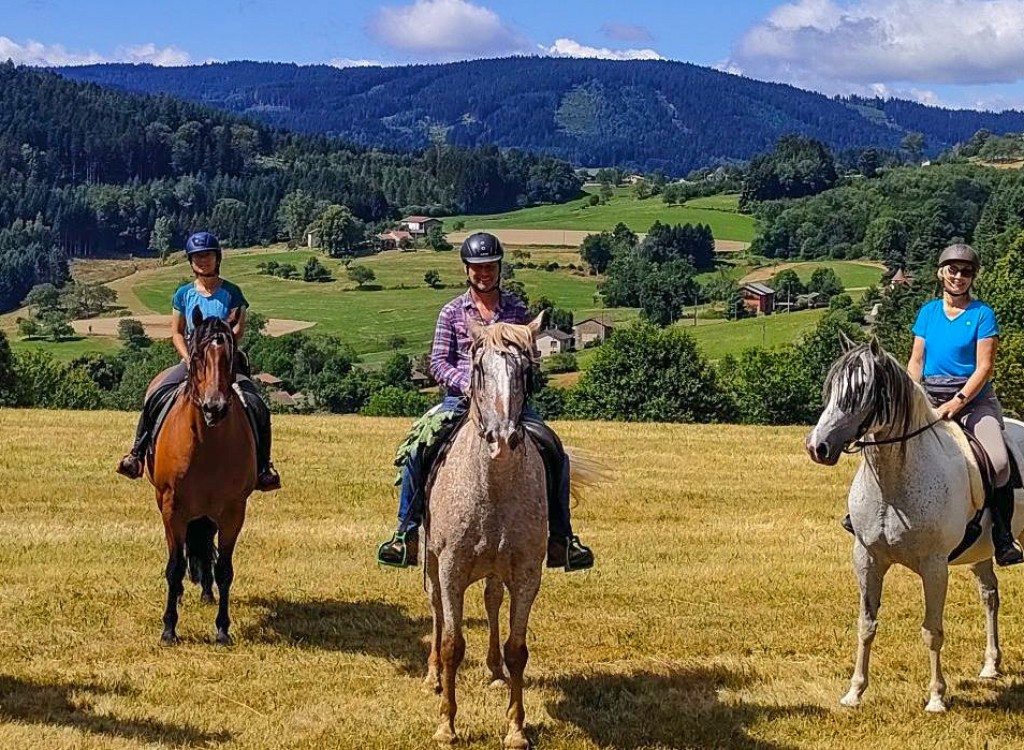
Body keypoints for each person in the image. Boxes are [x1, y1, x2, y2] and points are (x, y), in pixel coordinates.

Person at [376, 232, 594, 571]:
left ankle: (562, 539)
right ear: (466, 270)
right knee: (417, 448)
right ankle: (406, 533)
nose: (484, 273)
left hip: (509, 402)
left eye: (490, 267)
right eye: (477, 268)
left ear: (499, 268)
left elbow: (527, 356)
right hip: (460, 401)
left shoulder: (516, 309)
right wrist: (466, 385)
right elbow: (438, 362)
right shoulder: (451, 313)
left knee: (554, 451)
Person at [848, 244, 1020, 565]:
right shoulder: (927, 313)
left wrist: (957, 403)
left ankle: (1003, 537)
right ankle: (860, 515)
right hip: (928, 396)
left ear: (973, 277)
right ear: (940, 272)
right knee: (879, 440)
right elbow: (916, 361)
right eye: (952, 269)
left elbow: (984, 368)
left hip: (973, 401)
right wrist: (912, 397)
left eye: (966, 271)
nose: (958, 276)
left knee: (997, 461)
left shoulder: (982, 314)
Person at [115, 231, 281, 492]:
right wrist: (189, 359)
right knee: (157, 394)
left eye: (208, 255)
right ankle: (136, 454)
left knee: (257, 404)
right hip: (193, 360)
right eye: (198, 257)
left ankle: (263, 467)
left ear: (218, 258)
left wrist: (225, 343)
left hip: (226, 362)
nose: (203, 261)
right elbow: (177, 332)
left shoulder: (232, 292)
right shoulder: (183, 294)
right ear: (191, 262)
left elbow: (239, 330)